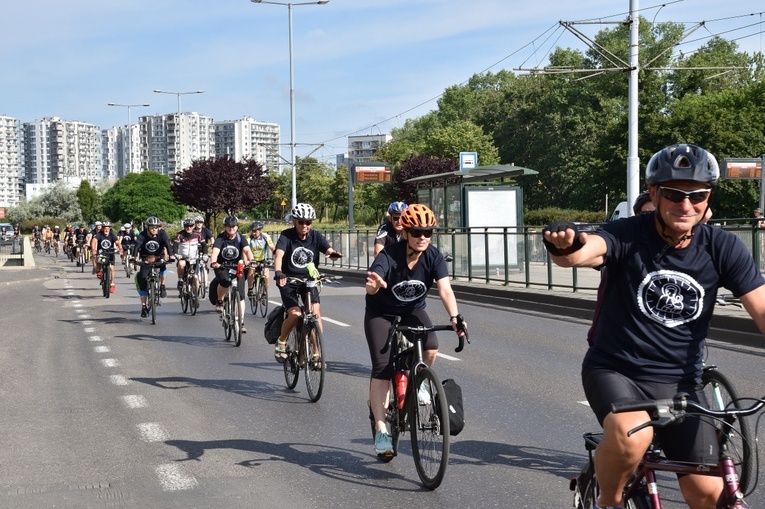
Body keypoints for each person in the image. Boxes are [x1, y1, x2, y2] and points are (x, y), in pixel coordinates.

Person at [542, 144, 765, 509]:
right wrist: (567, 245)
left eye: (697, 196)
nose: (686, 205)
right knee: (631, 439)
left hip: (682, 381)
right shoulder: (630, 232)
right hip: (616, 369)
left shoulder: (721, 246)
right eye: (675, 195)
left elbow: (761, 306)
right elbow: (588, 250)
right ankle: (609, 502)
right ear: (655, 195)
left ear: (709, 198)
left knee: (709, 494)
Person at [365, 203, 467, 458]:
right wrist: (375, 285)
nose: (423, 237)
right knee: (383, 368)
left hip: (412, 310)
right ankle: (381, 430)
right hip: (382, 312)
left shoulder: (433, 256)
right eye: (417, 232)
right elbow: (371, 286)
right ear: (406, 232)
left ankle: (417, 380)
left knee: (431, 346)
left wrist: (455, 317)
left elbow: (445, 289)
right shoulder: (389, 255)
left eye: (428, 232)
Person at [272, 203, 342, 362]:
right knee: (296, 314)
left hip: (309, 282)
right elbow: (279, 255)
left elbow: (329, 251)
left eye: (308, 222)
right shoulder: (286, 236)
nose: (305, 226)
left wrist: (334, 254)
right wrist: (278, 272)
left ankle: (317, 353)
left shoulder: (316, 236)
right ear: (294, 221)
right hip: (288, 280)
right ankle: (281, 342)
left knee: (315, 314)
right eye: (301, 222)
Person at [209, 215, 253, 332]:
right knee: (224, 281)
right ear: (225, 227)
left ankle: (241, 321)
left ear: (237, 227)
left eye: (233, 226)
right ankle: (220, 301)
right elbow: (215, 251)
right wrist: (214, 261)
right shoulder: (220, 238)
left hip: (237, 267)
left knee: (241, 295)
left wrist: (251, 261)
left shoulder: (240, 238)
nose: (231, 229)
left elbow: (247, 250)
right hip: (222, 266)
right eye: (229, 227)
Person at [134, 216, 174, 317]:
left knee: (163, 266)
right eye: (152, 227)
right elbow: (137, 246)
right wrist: (133, 257)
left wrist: (171, 255)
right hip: (146, 259)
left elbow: (167, 245)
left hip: (158, 258)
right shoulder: (142, 235)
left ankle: (162, 286)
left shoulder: (162, 234)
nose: (154, 229)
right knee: (142, 279)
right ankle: (143, 307)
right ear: (147, 227)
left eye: (156, 227)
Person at [174, 218, 204, 297]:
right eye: (187, 226)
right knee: (181, 264)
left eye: (191, 226)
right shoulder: (180, 235)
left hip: (194, 258)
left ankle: (195, 296)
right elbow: (175, 245)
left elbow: (204, 245)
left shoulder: (198, 234)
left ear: (194, 226)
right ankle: (180, 280)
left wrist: (205, 255)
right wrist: (176, 254)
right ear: (184, 226)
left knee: (196, 279)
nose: (189, 228)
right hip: (183, 258)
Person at [91, 222, 122, 293]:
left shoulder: (112, 235)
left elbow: (117, 242)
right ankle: (98, 270)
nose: (106, 230)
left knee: (112, 268)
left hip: (110, 253)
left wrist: (120, 249)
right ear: (102, 229)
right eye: (105, 228)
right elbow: (94, 241)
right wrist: (94, 250)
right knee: (98, 258)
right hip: (101, 252)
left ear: (110, 229)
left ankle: (112, 284)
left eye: (108, 228)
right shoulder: (99, 234)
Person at [246, 220, 276, 297]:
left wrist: (276, 258)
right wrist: (246, 260)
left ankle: (264, 293)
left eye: (255, 231)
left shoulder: (265, 237)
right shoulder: (249, 238)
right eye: (252, 231)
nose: (253, 233)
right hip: (252, 259)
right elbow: (245, 250)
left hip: (263, 259)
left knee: (266, 275)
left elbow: (272, 248)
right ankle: (250, 289)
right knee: (251, 271)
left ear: (260, 231)